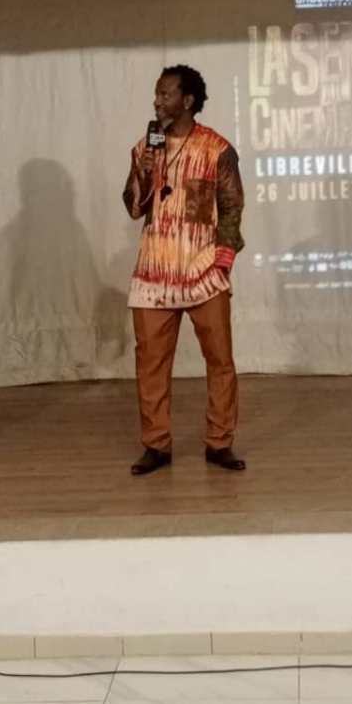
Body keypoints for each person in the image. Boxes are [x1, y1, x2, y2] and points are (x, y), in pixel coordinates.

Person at [123, 64, 246, 475]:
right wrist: (145, 169)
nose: (157, 101)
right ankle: (156, 444)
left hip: (203, 271)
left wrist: (223, 260)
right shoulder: (145, 147)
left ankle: (219, 442)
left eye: (165, 94)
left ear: (187, 100)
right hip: (154, 273)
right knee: (151, 363)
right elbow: (134, 207)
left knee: (220, 360)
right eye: (156, 94)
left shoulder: (217, 148)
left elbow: (232, 206)